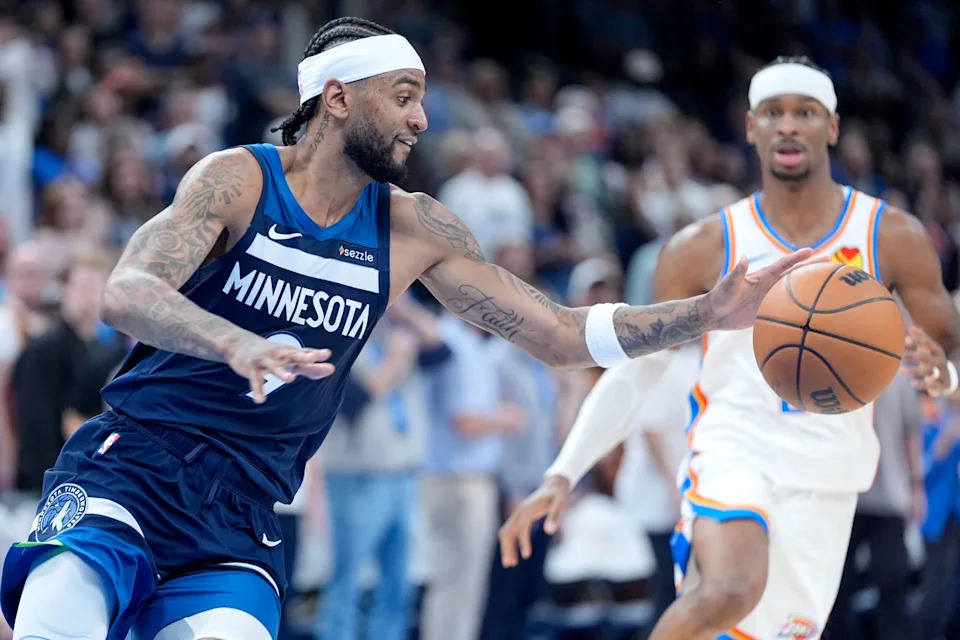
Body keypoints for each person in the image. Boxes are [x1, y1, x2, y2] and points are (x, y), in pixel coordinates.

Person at [0, 20, 810, 640]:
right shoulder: (238, 179)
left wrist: (706, 315)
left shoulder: (413, 227)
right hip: (135, 465)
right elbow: (127, 290)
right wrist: (233, 341)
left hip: (240, 514)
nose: (422, 117)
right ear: (339, 96)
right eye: (404, 93)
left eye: (423, 96)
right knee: (54, 625)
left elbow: (559, 334)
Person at [500, 56, 960, 640]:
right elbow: (639, 372)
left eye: (805, 113)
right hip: (734, 446)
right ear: (750, 127)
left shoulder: (892, 236)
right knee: (729, 590)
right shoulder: (702, 247)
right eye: (773, 113)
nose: (788, 126)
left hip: (829, 471)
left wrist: (940, 377)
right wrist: (565, 470)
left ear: (833, 128)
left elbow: (945, 360)